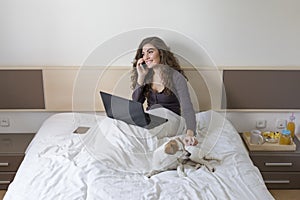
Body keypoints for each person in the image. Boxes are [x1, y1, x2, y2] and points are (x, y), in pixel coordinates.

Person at [130, 36, 198, 146]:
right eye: (143, 54)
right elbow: (135, 104)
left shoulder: (176, 77)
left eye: (150, 52)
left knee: (141, 133)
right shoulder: (146, 75)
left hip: (171, 120)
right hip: (151, 118)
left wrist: (190, 132)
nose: (146, 57)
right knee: (118, 124)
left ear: (161, 53)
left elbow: (187, 107)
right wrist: (141, 78)